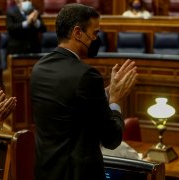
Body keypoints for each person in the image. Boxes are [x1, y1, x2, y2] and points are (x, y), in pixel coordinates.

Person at [30, 3, 137, 180]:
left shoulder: (39, 68)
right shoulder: (86, 75)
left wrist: (106, 92)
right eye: (95, 33)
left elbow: (69, 104)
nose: (96, 39)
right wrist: (116, 99)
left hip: (46, 172)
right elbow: (111, 138)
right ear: (77, 33)